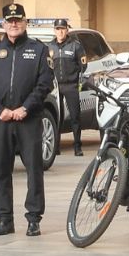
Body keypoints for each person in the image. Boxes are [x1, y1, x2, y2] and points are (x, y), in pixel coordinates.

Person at [0, 3, 53, 237]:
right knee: (1, 170)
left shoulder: (38, 50)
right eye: (9, 21)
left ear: (25, 22)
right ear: (3, 24)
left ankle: (33, 218)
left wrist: (25, 108)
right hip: (2, 120)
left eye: (18, 20)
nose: (14, 24)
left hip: (28, 119)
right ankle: (4, 219)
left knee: (33, 169)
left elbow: (45, 84)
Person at [48, 18, 87, 156]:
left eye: (62, 29)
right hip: (55, 87)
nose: (60, 32)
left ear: (67, 30)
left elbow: (83, 65)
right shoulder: (50, 47)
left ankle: (77, 146)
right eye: (57, 29)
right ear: (54, 31)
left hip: (71, 86)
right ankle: (56, 147)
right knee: (57, 117)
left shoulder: (75, 46)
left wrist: (76, 76)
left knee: (75, 117)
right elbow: (47, 67)